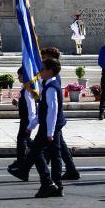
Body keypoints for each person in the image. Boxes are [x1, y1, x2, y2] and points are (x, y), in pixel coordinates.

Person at [7, 58, 66, 198]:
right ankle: (56, 186)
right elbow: (43, 109)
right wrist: (32, 124)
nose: (40, 72)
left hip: (48, 126)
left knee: (36, 151)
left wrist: (50, 131)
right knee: (54, 154)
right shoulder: (49, 85)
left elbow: (52, 110)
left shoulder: (51, 88)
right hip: (51, 125)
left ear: (50, 70)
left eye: (42, 69)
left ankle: (47, 183)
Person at [40, 47, 80, 180]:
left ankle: (43, 171)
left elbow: (53, 105)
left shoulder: (53, 77)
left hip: (54, 118)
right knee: (59, 146)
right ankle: (71, 169)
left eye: (45, 58)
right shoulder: (52, 75)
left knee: (51, 148)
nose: (42, 61)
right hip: (55, 119)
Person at [8, 66, 37, 171]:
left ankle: (21, 161)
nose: (18, 77)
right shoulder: (24, 88)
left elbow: (32, 107)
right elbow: (25, 105)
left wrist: (31, 123)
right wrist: (17, 104)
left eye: (19, 75)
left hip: (27, 119)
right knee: (26, 139)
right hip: (25, 118)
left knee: (21, 139)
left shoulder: (27, 89)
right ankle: (41, 151)